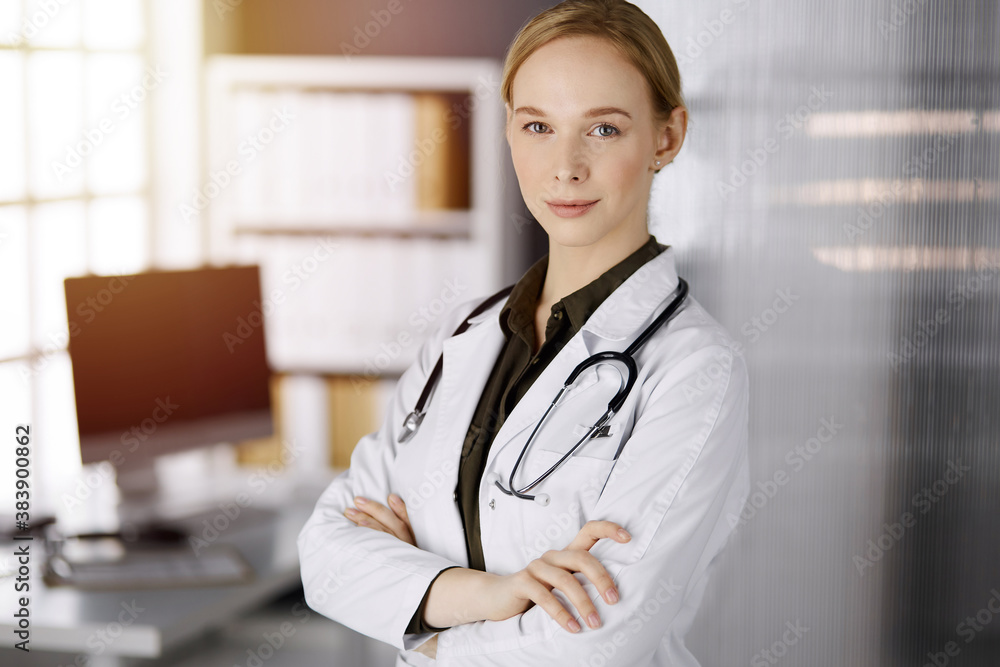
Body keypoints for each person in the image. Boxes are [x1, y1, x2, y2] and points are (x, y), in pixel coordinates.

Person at [297, 1, 749, 664]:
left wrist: (422, 617)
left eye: (603, 130)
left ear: (666, 137)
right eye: (538, 125)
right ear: (509, 131)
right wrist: (497, 593)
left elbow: (598, 644)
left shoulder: (696, 370)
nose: (564, 166)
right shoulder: (465, 334)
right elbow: (326, 560)